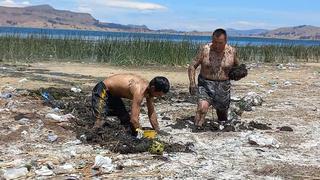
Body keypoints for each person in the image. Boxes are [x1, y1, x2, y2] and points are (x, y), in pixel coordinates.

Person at [188, 28, 241, 129]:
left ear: (226, 41)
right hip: (205, 83)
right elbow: (192, 66)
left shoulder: (232, 51)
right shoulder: (205, 50)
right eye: (214, 42)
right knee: (202, 108)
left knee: (222, 115)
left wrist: (238, 74)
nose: (217, 45)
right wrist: (192, 83)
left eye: (220, 43)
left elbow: (238, 67)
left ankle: (222, 130)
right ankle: (197, 129)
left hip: (223, 86)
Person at [91, 74, 170, 135]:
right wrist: (141, 134)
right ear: (153, 88)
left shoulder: (150, 92)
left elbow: (151, 112)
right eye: (159, 95)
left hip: (114, 95)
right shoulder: (140, 91)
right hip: (103, 89)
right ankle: (92, 137)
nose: (158, 97)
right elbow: (134, 119)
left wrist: (157, 130)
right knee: (100, 120)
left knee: (125, 120)